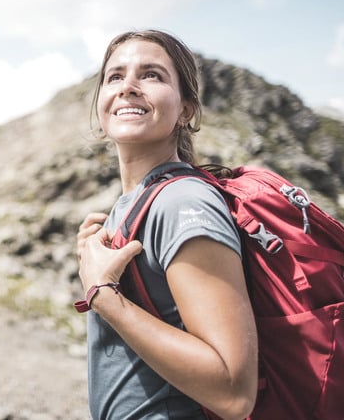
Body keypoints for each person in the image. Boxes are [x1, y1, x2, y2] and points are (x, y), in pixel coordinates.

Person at [76, 29, 258, 420]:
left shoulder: (182, 202)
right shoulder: (135, 204)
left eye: (152, 75)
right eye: (115, 76)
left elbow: (233, 392)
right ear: (101, 103)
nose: (128, 87)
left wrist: (104, 296)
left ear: (187, 109)